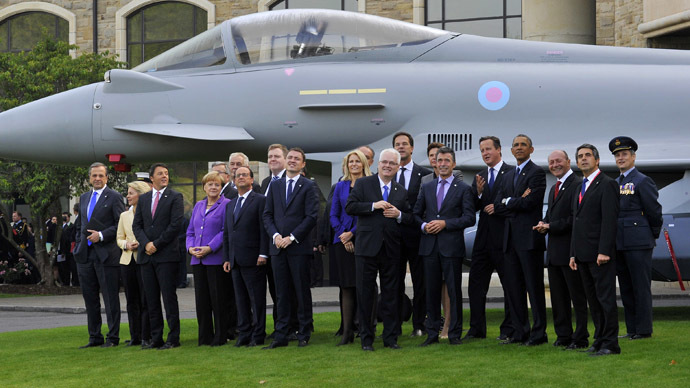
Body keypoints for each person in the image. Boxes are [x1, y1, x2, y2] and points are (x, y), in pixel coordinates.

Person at [346, 148, 414, 351]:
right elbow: (350, 207)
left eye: (392, 163)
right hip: (367, 249)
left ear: (398, 166)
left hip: (392, 250)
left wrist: (399, 214)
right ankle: (366, 339)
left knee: (391, 295)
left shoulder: (401, 191)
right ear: (377, 164)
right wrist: (373, 205)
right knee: (365, 295)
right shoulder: (364, 183)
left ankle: (391, 338)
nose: (387, 166)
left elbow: (410, 218)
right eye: (384, 162)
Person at [414, 147, 475, 346]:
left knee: (453, 291)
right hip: (429, 247)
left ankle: (455, 333)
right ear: (435, 163)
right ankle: (432, 333)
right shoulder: (428, 187)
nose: (442, 164)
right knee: (430, 291)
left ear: (453, 164)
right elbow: (416, 214)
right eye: (439, 160)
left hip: (451, 247)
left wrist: (445, 224)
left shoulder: (464, 188)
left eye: (446, 160)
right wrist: (424, 226)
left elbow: (469, 218)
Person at [262, 147, 319, 349]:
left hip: (298, 248)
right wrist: (276, 236)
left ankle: (304, 333)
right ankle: (281, 335)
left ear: (303, 164)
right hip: (277, 248)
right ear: (286, 161)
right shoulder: (275, 186)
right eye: (290, 158)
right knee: (281, 293)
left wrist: (292, 237)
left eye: (297, 159)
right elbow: (267, 215)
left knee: (301, 292)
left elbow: (311, 216)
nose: (293, 161)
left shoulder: (308, 186)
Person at [494, 134, 547, 346]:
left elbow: (531, 203)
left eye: (523, 145)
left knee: (533, 289)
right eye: (515, 145)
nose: (518, 148)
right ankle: (519, 332)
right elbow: (498, 206)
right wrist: (514, 201)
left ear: (531, 149)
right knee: (514, 288)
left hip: (528, 240)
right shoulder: (507, 176)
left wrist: (510, 202)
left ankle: (538, 334)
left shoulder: (537, 173)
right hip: (510, 240)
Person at [533, 150, 589, 349]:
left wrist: (551, 226)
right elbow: (552, 215)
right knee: (558, 298)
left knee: (577, 297)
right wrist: (544, 223)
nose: (555, 165)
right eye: (551, 162)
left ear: (568, 162)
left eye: (558, 161)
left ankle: (581, 337)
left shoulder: (577, 184)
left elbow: (575, 218)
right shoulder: (554, 187)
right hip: (555, 252)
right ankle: (563, 335)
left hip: (571, 251)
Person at [569, 144, 621, 356]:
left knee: (605, 300)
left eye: (588, 155)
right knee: (594, 301)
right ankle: (599, 340)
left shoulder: (607, 184)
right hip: (582, 255)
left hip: (600, 255)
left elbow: (609, 221)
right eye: (580, 156)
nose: (583, 159)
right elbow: (577, 222)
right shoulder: (580, 186)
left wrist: (604, 250)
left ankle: (611, 343)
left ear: (597, 160)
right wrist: (573, 252)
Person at [610, 136, 663, 340]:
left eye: (624, 154)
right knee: (626, 287)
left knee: (640, 287)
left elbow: (654, 211)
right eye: (617, 155)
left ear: (633, 156)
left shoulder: (642, 180)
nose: (620, 158)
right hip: (620, 242)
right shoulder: (616, 183)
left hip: (639, 242)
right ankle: (632, 329)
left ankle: (643, 330)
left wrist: (651, 234)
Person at [465, 136, 514, 342]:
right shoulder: (480, 176)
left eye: (488, 149)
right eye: (482, 150)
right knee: (475, 286)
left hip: (504, 239)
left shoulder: (512, 172)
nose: (485, 153)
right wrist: (476, 193)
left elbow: (516, 202)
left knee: (510, 286)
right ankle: (476, 330)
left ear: (499, 150)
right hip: (483, 240)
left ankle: (509, 329)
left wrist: (499, 208)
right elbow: (472, 207)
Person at [73, 162, 125, 348]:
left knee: (110, 298)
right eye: (94, 175)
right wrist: (79, 246)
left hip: (106, 255)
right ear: (89, 178)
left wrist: (101, 235)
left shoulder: (115, 197)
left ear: (107, 178)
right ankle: (94, 337)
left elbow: (121, 224)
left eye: (101, 175)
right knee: (90, 298)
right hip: (85, 256)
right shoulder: (84, 197)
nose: (97, 179)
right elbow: (80, 224)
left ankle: (112, 338)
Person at [133, 163, 184, 350]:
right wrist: (146, 243)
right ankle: (156, 338)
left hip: (166, 256)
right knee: (151, 299)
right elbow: (137, 225)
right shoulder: (144, 198)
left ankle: (173, 338)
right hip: (146, 256)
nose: (164, 176)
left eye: (167, 173)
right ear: (151, 178)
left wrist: (157, 244)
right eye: (160, 174)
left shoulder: (175, 197)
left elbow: (175, 225)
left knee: (169, 298)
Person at [223, 166, 269, 347]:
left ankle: (258, 335)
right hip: (235, 260)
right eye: (238, 175)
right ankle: (244, 333)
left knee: (256, 300)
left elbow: (263, 229)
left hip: (254, 258)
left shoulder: (260, 201)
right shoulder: (230, 204)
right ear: (234, 181)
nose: (241, 177)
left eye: (244, 175)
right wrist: (227, 257)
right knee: (240, 300)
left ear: (251, 179)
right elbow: (228, 233)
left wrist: (263, 253)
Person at [330, 149, 372, 345]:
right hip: (342, 242)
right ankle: (347, 333)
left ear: (364, 163)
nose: (354, 164)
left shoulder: (370, 185)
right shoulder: (340, 186)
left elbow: (367, 214)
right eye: (350, 162)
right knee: (346, 286)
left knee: (363, 286)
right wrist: (343, 236)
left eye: (357, 161)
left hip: (363, 238)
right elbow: (333, 214)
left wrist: (352, 234)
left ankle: (366, 330)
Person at [392, 131, 431, 338]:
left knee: (420, 282)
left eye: (404, 144)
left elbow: (425, 206)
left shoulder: (424, 174)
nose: (401, 147)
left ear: (412, 148)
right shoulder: (386, 173)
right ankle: (395, 325)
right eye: (397, 144)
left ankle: (419, 325)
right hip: (393, 238)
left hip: (416, 236)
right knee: (394, 282)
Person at [186, 171, 230, 346]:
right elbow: (190, 231)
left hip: (215, 259)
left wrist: (209, 247)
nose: (213, 187)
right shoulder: (198, 205)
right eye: (210, 184)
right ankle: (204, 337)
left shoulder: (227, 204)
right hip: (197, 260)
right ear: (204, 187)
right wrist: (190, 248)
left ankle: (220, 337)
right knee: (201, 301)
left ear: (221, 187)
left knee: (218, 300)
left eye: (217, 184)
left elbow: (224, 231)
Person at [259, 143, 298, 340]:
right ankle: (280, 326)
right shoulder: (265, 182)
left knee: (287, 289)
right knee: (275, 289)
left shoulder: (293, 181)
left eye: (276, 156)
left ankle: (291, 327)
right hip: (269, 244)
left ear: (285, 159)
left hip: (288, 244)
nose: (272, 159)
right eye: (270, 157)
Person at [116, 181, 152, 347]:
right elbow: (119, 238)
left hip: (144, 259)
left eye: (131, 193)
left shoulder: (149, 213)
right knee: (131, 300)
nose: (128, 196)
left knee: (146, 299)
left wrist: (141, 243)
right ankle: (135, 336)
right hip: (127, 261)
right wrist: (126, 245)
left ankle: (146, 335)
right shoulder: (124, 215)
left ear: (141, 194)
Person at [57, 212, 77, 286]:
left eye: (65, 217)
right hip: (61, 250)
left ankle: (70, 282)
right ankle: (64, 282)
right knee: (62, 268)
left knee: (70, 267)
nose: (64, 219)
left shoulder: (71, 226)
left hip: (69, 251)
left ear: (68, 217)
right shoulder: (60, 227)